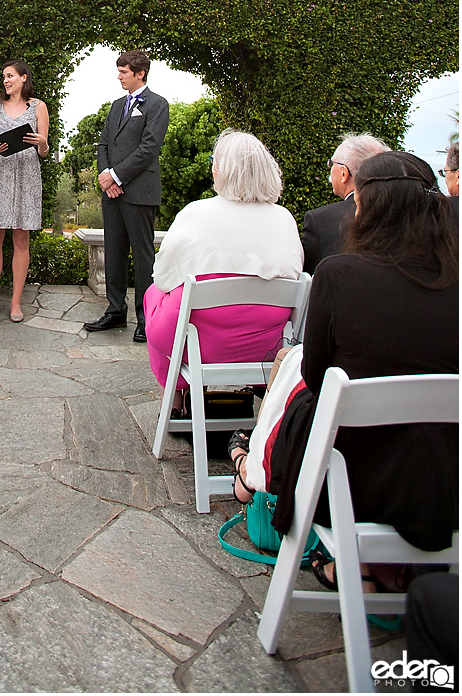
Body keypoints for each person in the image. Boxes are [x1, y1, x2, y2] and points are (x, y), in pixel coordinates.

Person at [229, 150, 458, 576]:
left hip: (350, 483)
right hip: (444, 484)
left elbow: (316, 378)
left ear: (369, 206)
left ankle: (249, 471)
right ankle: (376, 572)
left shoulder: (339, 275)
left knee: (299, 388)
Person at [143, 129, 303, 404]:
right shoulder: (284, 219)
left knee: (153, 295)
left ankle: (175, 399)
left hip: (198, 344)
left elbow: (163, 276)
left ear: (220, 171)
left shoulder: (196, 213)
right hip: (266, 347)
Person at [84, 51, 169, 343]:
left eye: (123, 72)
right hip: (113, 193)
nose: (119, 76)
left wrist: (116, 176)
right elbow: (104, 143)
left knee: (143, 257)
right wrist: (106, 177)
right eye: (118, 71)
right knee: (115, 252)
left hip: (140, 193)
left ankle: (146, 318)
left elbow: (149, 148)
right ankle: (115, 310)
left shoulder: (158, 105)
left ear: (140, 73)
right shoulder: (117, 105)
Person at [0, 60, 50, 323]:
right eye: (4, 77)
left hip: (27, 175)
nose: (6, 81)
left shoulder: (39, 107)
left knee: (21, 240)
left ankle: (16, 302)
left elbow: (44, 151)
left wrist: (43, 142)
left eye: (10, 76)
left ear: (23, 78)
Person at [300, 133, 389, 273]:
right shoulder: (403, 211)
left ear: (344, 173)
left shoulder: (320, 220)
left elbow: (306, 276)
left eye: (332, 163)